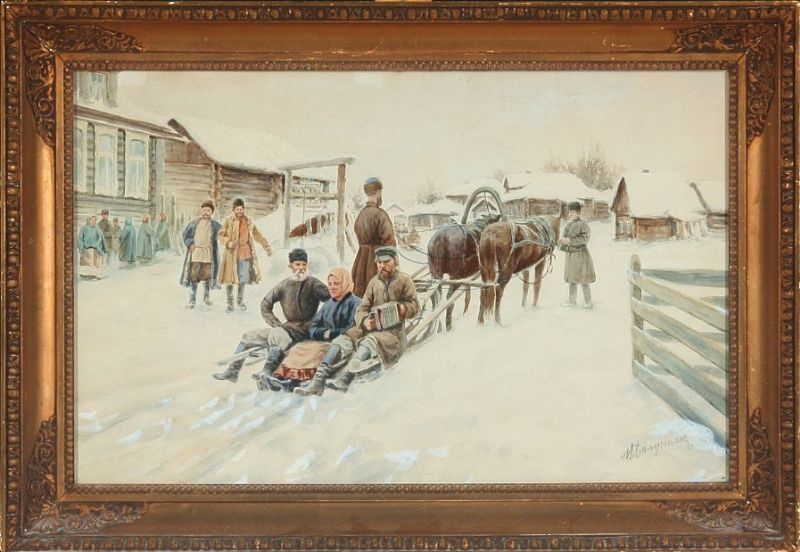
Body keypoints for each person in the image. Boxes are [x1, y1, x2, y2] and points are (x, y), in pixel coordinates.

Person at [212, 249, 330, 389]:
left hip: (302, 331)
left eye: (304, 265)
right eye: (297, 264)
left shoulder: (313, 283)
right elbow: (265, 304)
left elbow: (332, 302)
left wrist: (318, 322)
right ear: (291, 266)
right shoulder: (285, 284)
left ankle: (267, 372)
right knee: (249, 336)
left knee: (276, 335)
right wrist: (275, 323)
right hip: (285, 328)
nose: (301, 268)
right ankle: (233, 371)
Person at [327, 246, 419, 392]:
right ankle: (322, 373)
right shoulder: (374, 282)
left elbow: (414, 306)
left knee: (371, 340)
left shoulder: (404, 280)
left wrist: (402, 309)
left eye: (386, 262)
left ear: (395, 261)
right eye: (379, 262)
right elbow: (362, 308)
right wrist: (364, 321)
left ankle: (346, 377)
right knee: (346, 336)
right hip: (372, 325)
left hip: (393, 332)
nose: (382, 266)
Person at [293, 268, 362, 396]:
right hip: (325, 341)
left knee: (329, 348)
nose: (332, 287)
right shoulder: (328, 305)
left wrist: (332, 333)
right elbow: (313, 327)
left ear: (345, 283)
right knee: (298, 349)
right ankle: (288, 380)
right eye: (329, 284)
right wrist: (324, 333)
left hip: (344, 343)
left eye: (336, 284)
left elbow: (352, 328)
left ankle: (318, 382)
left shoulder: (356, 303)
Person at [218, 198, 273, 313]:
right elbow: (221, 235)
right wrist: (228, 242)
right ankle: (230, 303)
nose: (239, 211)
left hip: (245, 253)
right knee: (230, 279)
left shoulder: (248, 221)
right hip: (232, 254)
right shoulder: (228, 220)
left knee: (242, 279)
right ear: (233, 209)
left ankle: (240, 301)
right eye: (237, 209)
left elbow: (257, 234)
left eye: (241, 209)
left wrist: (266, 246)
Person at [351, 177, 396, 298]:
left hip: (361, 263)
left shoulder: (361, 215)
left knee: (361, 297)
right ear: (378, 192)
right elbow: (390, 244)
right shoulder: (381, 215)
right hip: (377, 263)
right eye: (380, 192)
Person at [180, 200, 222, 308]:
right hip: (196, 253)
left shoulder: (215, 225)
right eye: (204, 210)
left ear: (212, 212)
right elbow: (185, 235)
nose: (205, 212)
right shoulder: (194, 223)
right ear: (201, 211)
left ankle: (206, 298)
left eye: (208, 210)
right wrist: (190, 244)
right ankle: (192, 299)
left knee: (207, 276)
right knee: (194, 276)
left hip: (208, 253)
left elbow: (224, 233)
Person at [557, 201, 596, 309]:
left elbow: (584, 239)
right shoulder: (568, 225)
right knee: (572, 280)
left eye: (572, 212)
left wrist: (570, 241)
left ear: (578, 213)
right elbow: (564, 239)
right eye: (569, 212)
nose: (570, 214)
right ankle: (572, 301)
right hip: (571, 256)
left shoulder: (583, 225)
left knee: (584, 279)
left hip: (581, 256)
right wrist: (560, 243)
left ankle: (588, 302)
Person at [77, 215, 107, 279]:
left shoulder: (97, 229)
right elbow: (80, 238)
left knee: (96, 263)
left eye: (95, 220)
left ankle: (96, 274)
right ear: (89, 220)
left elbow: (101, 238)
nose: (94, 221)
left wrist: (102, 247)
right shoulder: (83, 228)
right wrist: (81, 247)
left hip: (96, 249)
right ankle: (85, 274)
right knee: (86, 263)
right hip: (86, 249)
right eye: (92, 220)